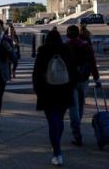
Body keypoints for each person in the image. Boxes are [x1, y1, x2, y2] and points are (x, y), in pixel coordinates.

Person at [32, 29, 78, 167]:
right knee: (59, 120)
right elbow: (73, 72)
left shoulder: (43, 51)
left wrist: (37, 90)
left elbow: (36, 74)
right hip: (64, 91)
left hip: (47, 92)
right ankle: (56, 144)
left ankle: (57, 153)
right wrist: (71, 87)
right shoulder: (66, 50)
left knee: (52, 121)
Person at [66, 24, 101, 146]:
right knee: (80, 105)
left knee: (73, 107)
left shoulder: (66, 47)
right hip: (84, 79)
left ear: (67, 34)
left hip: (70, 81)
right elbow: (92, 63)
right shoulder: (86, 46)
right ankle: (77, 126)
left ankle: (76, 132)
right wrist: (97, 79)